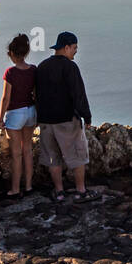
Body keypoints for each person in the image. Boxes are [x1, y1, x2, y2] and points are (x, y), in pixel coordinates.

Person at [34, 31, 98, 203]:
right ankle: (80, 191)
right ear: (67, 47)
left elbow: (36, 94)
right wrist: (87, 117)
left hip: (46, 120)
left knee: (52, 158)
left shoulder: (42, 66)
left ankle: (59, 192)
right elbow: (78, 94)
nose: (76, 51)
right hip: (66, 120)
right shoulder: (70, 67)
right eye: (75, 48)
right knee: (77, 156)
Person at [0, 33, 37, 203]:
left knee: (16, 154)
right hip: (31, 111)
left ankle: (14, 190)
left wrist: (0, 118)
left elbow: (6, 98)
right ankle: (28, 187)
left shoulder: (11, 72)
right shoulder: (34, 70)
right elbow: (36, 92)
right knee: (27, 150)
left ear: (12, 53)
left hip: (15, 113)